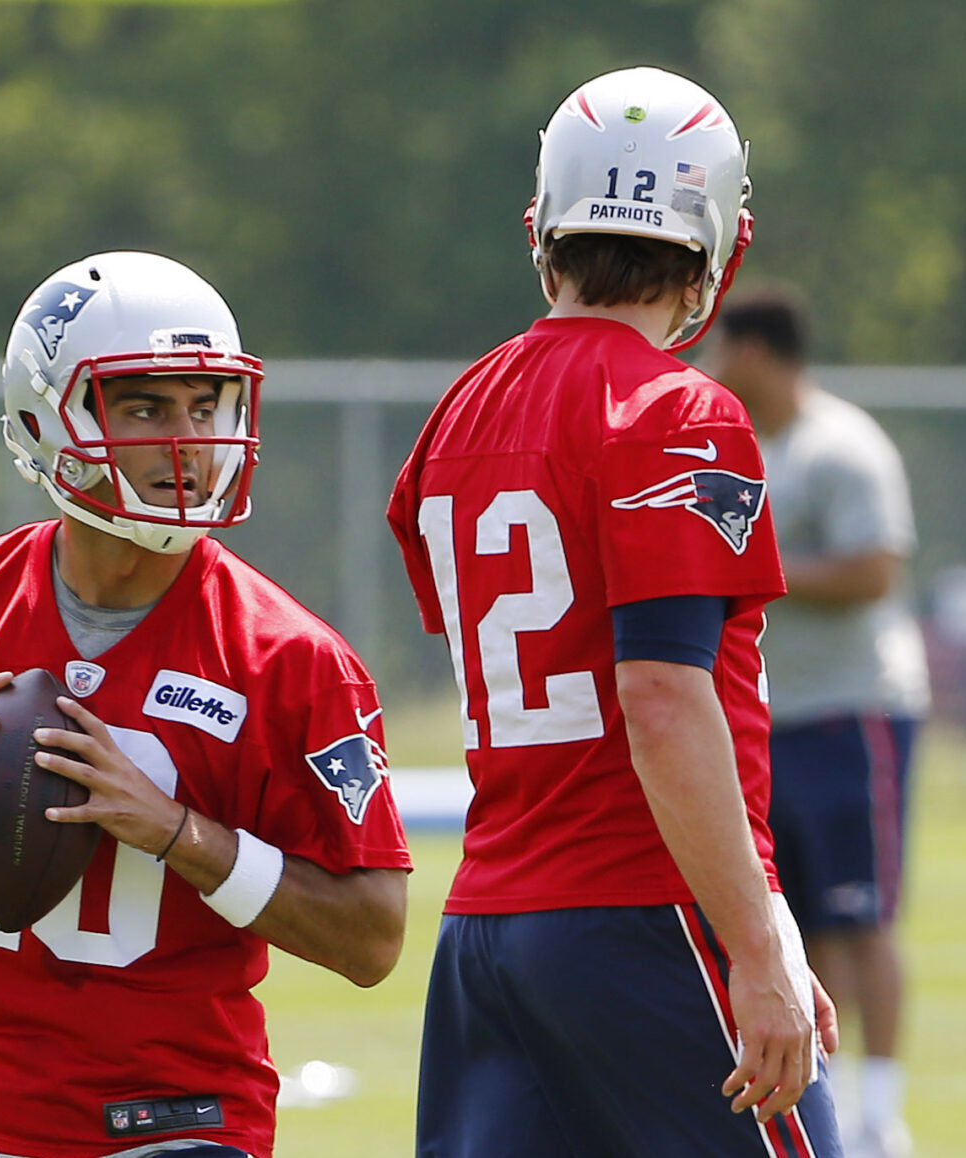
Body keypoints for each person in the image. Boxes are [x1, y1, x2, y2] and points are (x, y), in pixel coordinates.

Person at [0, 251, 412, 1158]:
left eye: (206, 405)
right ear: (47, 416)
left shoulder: (291, 659)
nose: (187, 440)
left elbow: (373, 939)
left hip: (178, 1126)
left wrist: (177, 833)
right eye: (145, 406)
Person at [386, 67, 846, 1157]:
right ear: (713, 242)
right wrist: (750, 942)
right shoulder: (677, 412)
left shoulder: (458, 409)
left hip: (490, 927)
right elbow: (657, 694)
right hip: (640, 910)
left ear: (542, 225)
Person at [710, 291, 928, 1158]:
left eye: (726, 344)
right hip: (770, 720)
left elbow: (876, 569)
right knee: (796, 914)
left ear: (759, 349)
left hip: (853, 712)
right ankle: (827, 1091)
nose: (712, 361)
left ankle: (884, 1109)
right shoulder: (741, 445)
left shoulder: (842, 446)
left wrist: (755, 568)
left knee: (860, 911)